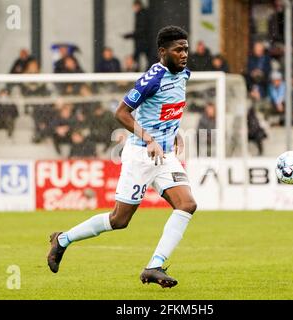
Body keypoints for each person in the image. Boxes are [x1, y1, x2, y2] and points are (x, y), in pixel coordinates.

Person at [48, 26, 196, 289]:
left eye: (186, 48)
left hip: (165, 155)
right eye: (178, 50)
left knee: (187, 205)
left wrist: (174, 132)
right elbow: (122, 112)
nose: (184, 54)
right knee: (119, 220)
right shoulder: (152, 78)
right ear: (163, 52)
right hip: (141, 154)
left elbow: (168, 108)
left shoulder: (183, 74)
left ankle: (154, 266)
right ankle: (62, 240)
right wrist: (150, 138)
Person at [123, 0, 152, 69]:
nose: (133, 9)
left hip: (142, 41)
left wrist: (130, 35)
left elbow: (141, 30)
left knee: (137, 57)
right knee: (146, 58)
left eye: (134, 7)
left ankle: (135, 70)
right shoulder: (143, 14)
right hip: (143, 40)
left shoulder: (141, 15)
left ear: (137, 6)